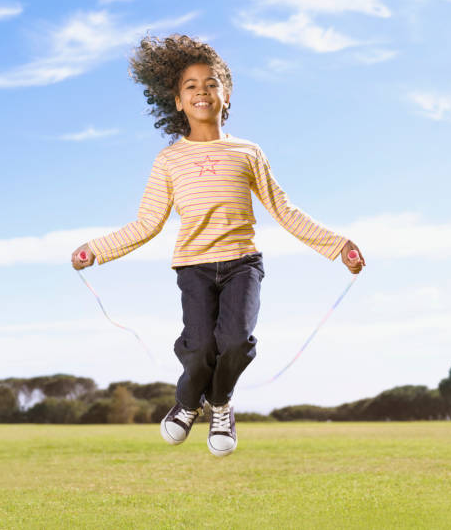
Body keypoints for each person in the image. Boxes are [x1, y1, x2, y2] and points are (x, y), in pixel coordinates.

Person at [71, 34, 365, 457]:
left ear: (226, 95)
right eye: (191, 86)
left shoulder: (248, 151)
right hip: (194, 267)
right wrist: (95, 250)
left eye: (211, 83)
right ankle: (189, 403)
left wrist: (340, 246)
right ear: (177, 101)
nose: (202, 91)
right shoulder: (169, 160)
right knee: (200, 347)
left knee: (236, 341)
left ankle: (221, 404)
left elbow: (284, 210)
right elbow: (147, 222)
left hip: (243, 263)